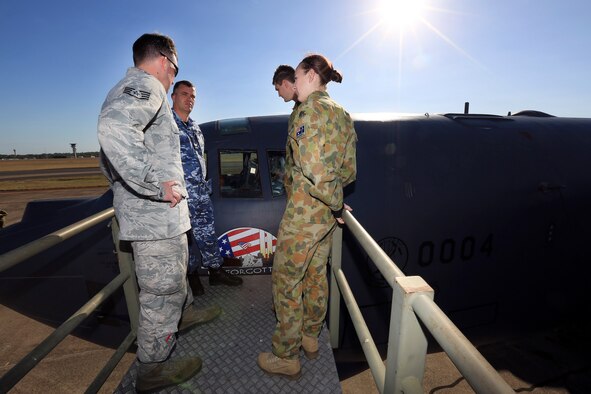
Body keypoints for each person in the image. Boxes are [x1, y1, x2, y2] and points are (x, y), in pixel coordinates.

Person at [97, 33, 221, 393]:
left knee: (173, 282)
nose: (173, 77)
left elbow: (111, 161)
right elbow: (114, 129)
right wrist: (153, 183)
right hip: (154, 221)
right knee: (159, 295)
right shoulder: (145, 86)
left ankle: (184, 313)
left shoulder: (147, 92)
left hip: (163, 218)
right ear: (167, 61)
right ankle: (152, 368)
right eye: (175, 69)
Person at [258, 54, 357, 379]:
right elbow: (348, 171)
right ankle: (310, 337)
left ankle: (286, 355)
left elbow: (315, 171)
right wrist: (335, 207)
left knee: (286, 281)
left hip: (305, 212)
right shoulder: (341, 113)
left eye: (298, 77)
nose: (295, 84)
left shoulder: (309, 111)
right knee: (316, 277)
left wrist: (337, 204)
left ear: (311, 76)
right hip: (325, 216)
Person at [171, 80, 243, 295]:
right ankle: (191, 276)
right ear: (173, 96)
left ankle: (215, 271)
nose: (189, 99)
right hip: (180, 197)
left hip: (200, 194)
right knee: (186, 239)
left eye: (192, 96)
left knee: (207, 234)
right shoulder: (165, 126)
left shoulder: (194, 127)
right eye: (184, 94)